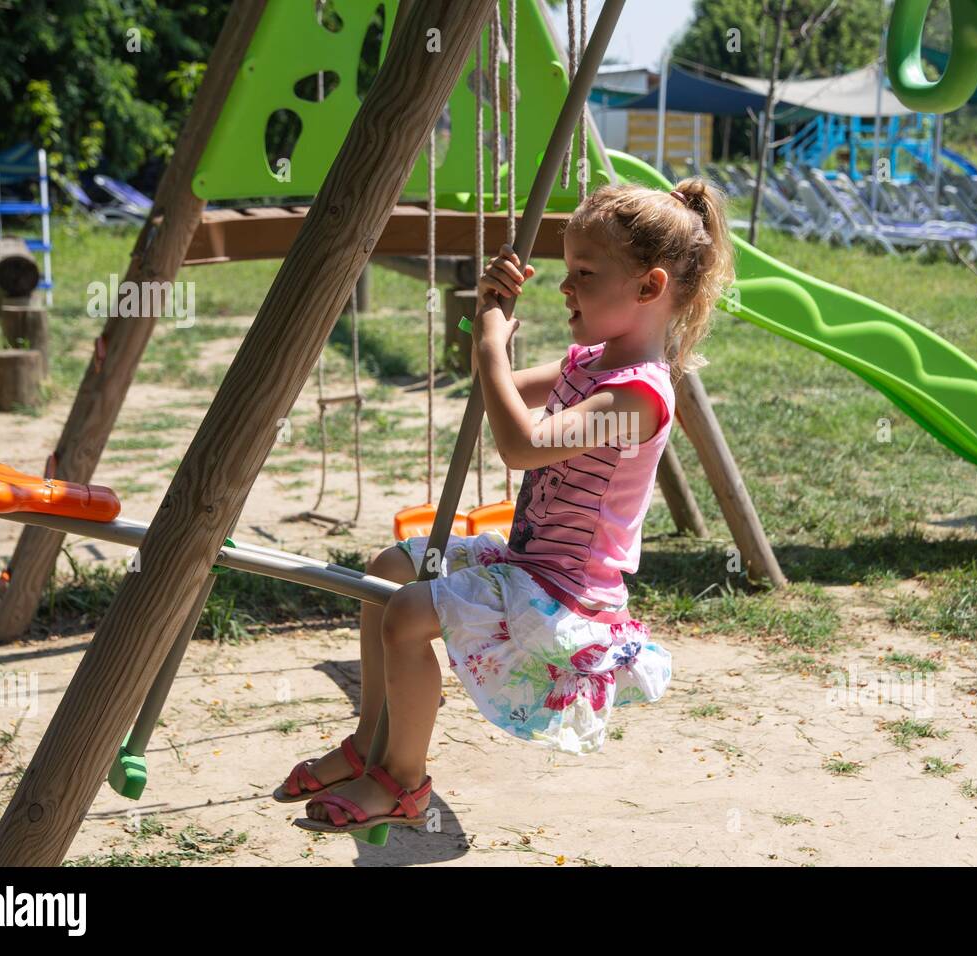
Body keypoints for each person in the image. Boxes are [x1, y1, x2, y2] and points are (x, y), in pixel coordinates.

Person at [277, 177, 736, 833]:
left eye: (583, 271)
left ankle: (402, 780)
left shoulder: (641, 395)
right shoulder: (590, 361)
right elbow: (498, 395)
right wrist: (486, 314)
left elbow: (521, 444)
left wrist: (493, 342)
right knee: (389, 570)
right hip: (528, 562)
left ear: (649, 288)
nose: (564, 286)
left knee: (407, 616)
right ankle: (367, 744)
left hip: (564, 590)